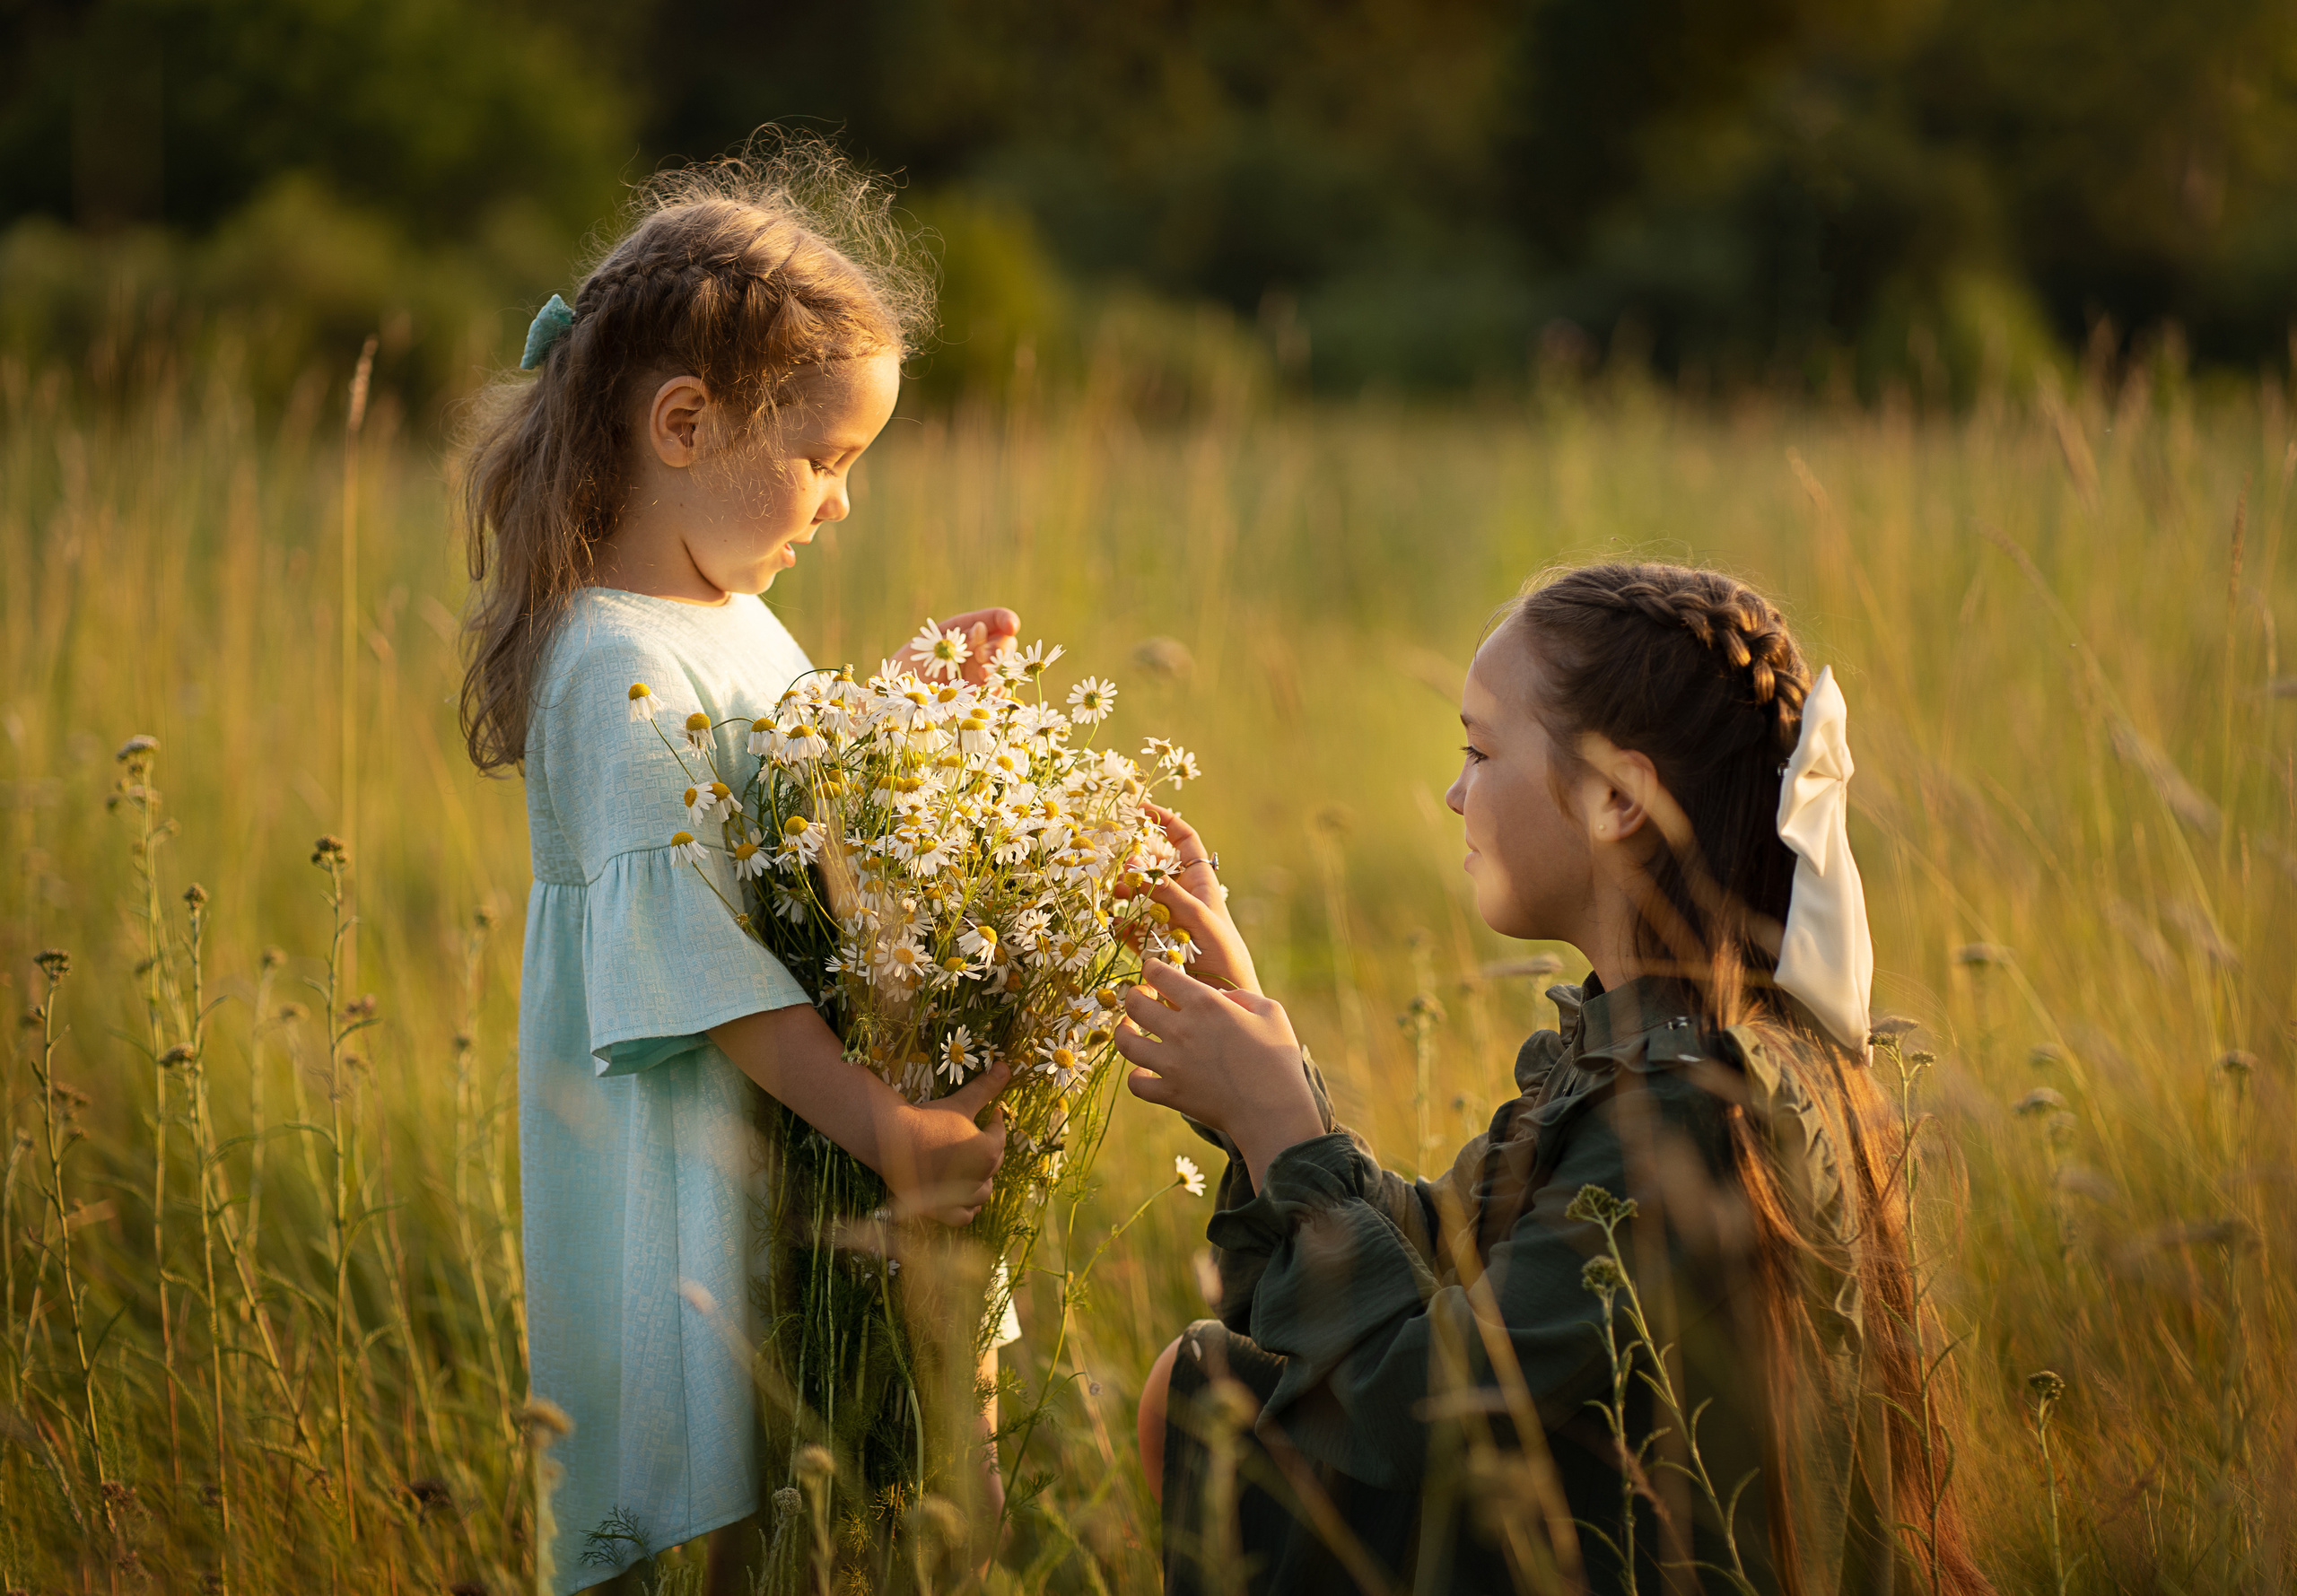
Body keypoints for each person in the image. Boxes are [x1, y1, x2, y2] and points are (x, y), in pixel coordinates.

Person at [1122, 563, 1994, 1594]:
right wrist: (1255, 1045)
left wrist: (1281, 1135)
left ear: (1617, 799)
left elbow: (1421, 1402)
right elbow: (1442, 1260)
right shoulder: (1645, 1048)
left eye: (1479, 752)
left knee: (1212, 1401)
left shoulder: (1699, 1111)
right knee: (1206, 1383)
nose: (1453, 793)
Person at [458, 140, 1018, 1595]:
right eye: (825, 459)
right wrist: (883, 1125)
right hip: (678, 1141)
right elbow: (696, 961)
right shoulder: (615, 657)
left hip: (776, 1118)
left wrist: (905, 721)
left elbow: (788, 804)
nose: (841, 504)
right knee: (699, 1469)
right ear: (687, 422)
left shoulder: (728, 618)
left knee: (792, 1472)